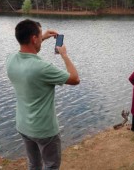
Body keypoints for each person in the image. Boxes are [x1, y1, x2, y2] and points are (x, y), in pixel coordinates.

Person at [6, 19, 80, 169]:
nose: (42, 37)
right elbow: (75, 79)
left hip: (23, 125)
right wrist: (64, 54)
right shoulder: (42, 67)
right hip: (44, 130)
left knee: (34, 164)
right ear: (34, 39)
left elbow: (24, 48)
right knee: (51, 165)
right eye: (39, 35)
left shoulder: (10, 60)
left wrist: (43, 37)